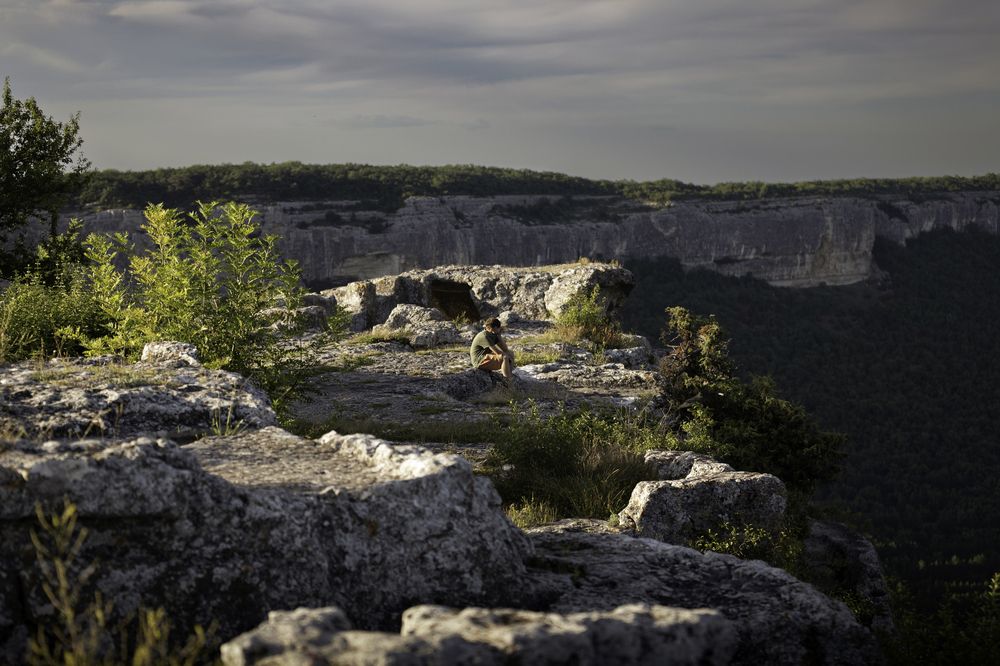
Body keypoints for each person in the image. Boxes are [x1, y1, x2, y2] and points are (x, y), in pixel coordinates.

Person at [470, 317, 515, 384]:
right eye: (491, 329)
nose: (492, 331)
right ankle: (507, 381)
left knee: (510, 353)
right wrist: (508, 358)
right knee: (504, 357)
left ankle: (509, 374)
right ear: (489, 328)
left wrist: (499, 336)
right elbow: (497, 352)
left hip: (486, 356)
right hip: (479, 360)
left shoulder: (494, 334)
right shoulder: (484, 335)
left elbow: (505, 349)